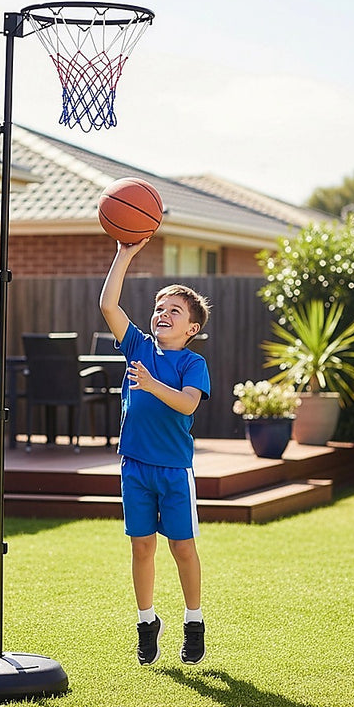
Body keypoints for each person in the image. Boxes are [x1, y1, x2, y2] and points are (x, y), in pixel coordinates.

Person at [99, 238, 211, 666]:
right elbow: (109, 305)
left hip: (173, 470)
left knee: (182, 548)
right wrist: (125, 254)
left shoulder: (191, 365)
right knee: (141, 546)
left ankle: (194, 621)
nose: (163, 315)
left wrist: (150, 384)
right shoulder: (139, 346)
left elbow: (187, 403)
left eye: (174, 312)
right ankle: (147, 623)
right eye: (160, 309)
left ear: (191, 329)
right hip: (135, 467)